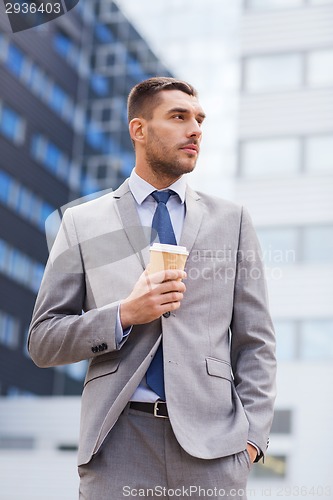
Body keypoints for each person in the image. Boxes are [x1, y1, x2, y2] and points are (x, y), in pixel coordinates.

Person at [28, 77, 276, 499]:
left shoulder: (230, 221)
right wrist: (123, 315)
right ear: (138, 130)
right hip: (116, 444)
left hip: (214, 450)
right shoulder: (84, 224)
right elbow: (43, 340)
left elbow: (256, 342)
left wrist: (251, 440)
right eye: (178, 117)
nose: (195, 129)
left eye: (199, 119)